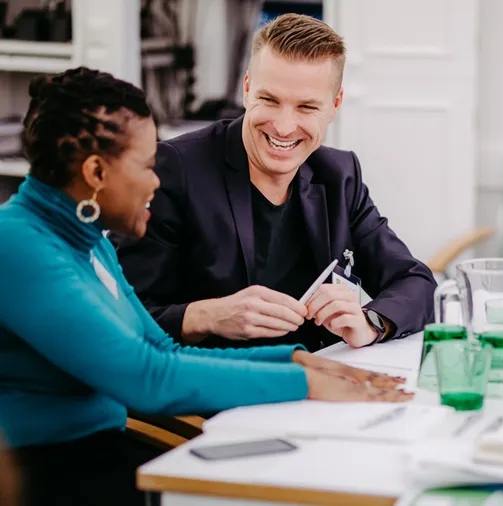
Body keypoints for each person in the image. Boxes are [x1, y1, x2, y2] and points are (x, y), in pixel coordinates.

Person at [0, 67, 411, 506]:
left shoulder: (86, 242)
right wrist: (304, 383)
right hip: (42, 474)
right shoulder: (17, 245)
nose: (156, 182)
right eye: (146, 166)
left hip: (102, 454)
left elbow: (164, 349)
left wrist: (300, 361)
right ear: (96, 171)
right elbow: (147, 376)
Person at [113, 14, 436, 352]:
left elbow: (415, 282)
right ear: (248, 88)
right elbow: (121, 314)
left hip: (317, 381)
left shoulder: (340, 175)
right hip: (213, 389)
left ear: (334, 105)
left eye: (306, 107)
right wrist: (205, 316)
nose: (284, 127)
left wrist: (371, 321)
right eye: (270, 100)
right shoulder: (174, 168)